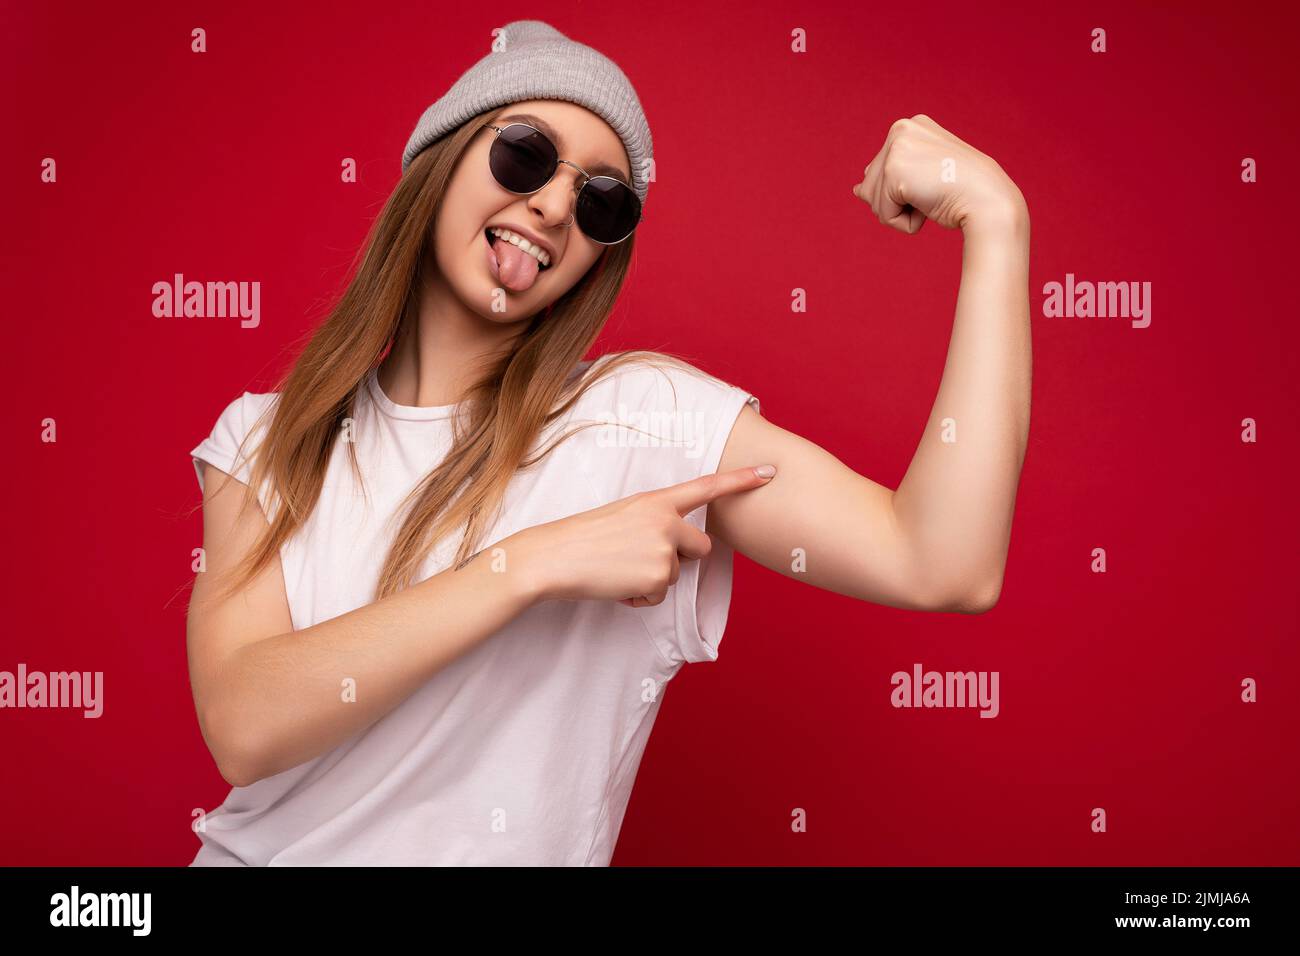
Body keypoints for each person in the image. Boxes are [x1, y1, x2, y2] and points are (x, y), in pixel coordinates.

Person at [185, 19, 1031, 866]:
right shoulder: (265, 440)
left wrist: (999, 222)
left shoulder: (639, 420)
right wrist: (531, 565)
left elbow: (943, 561)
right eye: (524, 154)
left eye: (602, 201)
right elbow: (243, 726)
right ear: (438, 163)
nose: (554, 206)